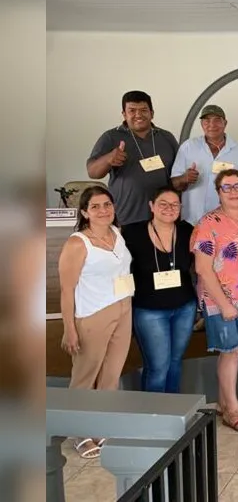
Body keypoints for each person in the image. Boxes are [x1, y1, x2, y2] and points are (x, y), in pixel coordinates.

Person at [58, 186, 133, 459]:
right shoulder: (78, 243)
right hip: (93, 315)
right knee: (84, 376)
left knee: (111, 375)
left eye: (107, 204)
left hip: (124, 309)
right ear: (84, 212)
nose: (103, 210)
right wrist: (69, 328)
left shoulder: (117, 233)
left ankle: (100, 425)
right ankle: (79, 431)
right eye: (96, 206)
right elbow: (67, 290)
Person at [191, 169, 238, 433]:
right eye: (227, 187)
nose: (233, 192)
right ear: (218, 192)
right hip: (220, 299)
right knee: (230, 350)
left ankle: (224, 402)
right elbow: (203, 269)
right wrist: (224, 304)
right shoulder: (208, 223)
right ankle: (233, 409)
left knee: (235, 350)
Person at [122, 186, 196, 394]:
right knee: (158, 366)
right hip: (149, 310)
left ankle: (173, 413)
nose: (169, 208)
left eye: (175, 204)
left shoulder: (186, 231)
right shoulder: (132, 232)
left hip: (184, 307)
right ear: (151, 206)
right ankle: (154, 418)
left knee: (175, 362)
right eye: (163, 203)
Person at [86, 91, 179, 225]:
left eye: (143, 110)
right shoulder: (111, 137)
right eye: (132, 110)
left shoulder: (166, 137)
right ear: (124, 114)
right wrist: (109, 158)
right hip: (126, 218)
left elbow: (178, 173)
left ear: (152, 113)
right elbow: (92, 172)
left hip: (164, 218)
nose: (138, 115)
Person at [171, 105, 238, 225]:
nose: (211, 124)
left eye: (217, 120)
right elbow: (174, 184)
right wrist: (184, 178)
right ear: (202, 124)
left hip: (227, 222)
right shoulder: (188, 147)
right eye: (206, 120)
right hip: (191, 221)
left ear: (225, 123)